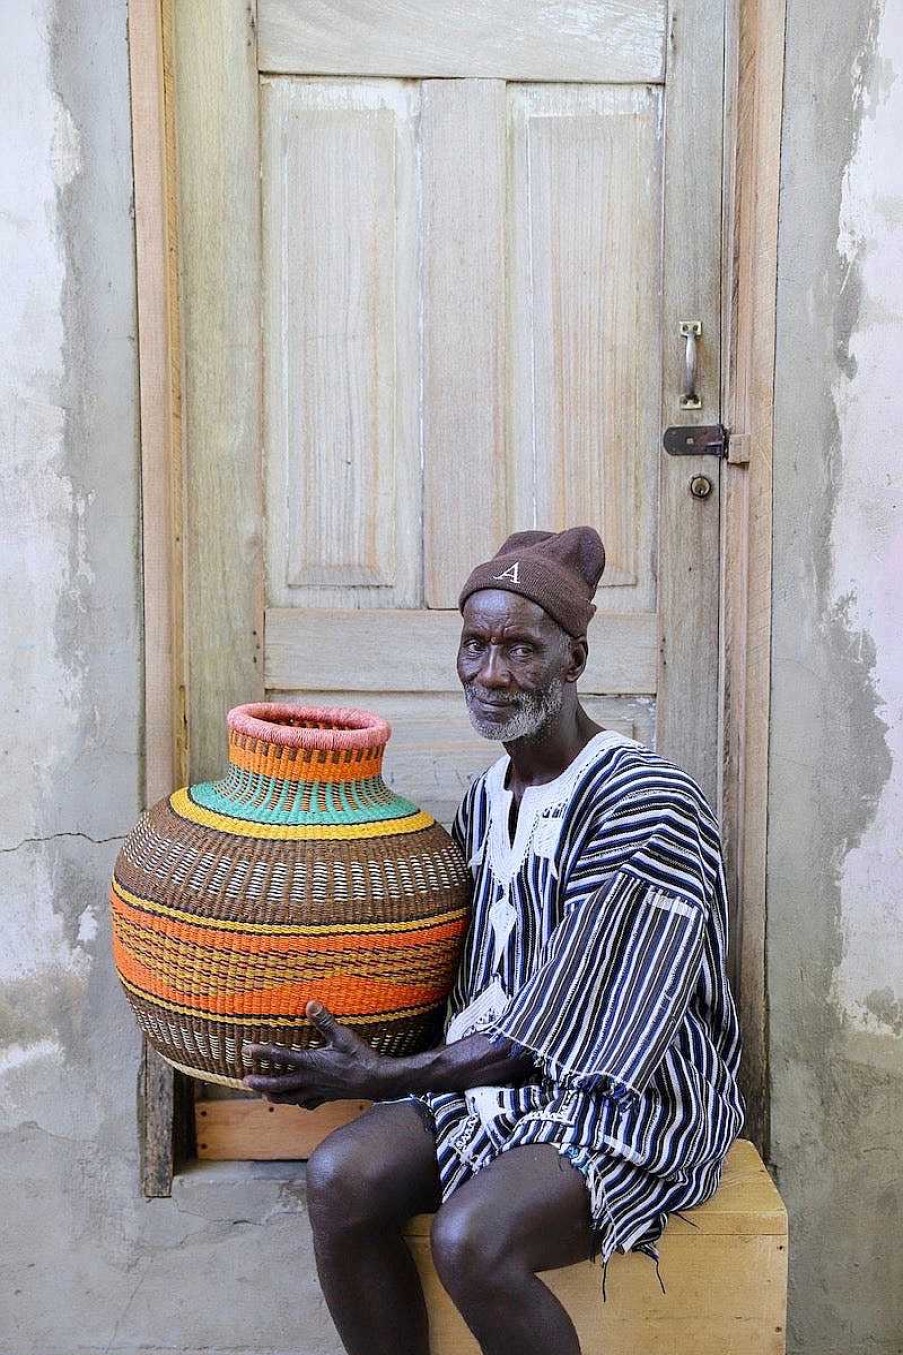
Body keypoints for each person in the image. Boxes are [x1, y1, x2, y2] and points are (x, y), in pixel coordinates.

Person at [244, 527, 744, 1355]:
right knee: (338, 1180)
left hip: (627, 1097)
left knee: (473, 1238)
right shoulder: (485, 797)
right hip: (490, 1080)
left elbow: (564, 1025)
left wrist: (379, 1075)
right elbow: (466, 982)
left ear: (573, 658)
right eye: (474, 645)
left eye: (519, 647)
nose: (490, 672)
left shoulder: (645, 802)